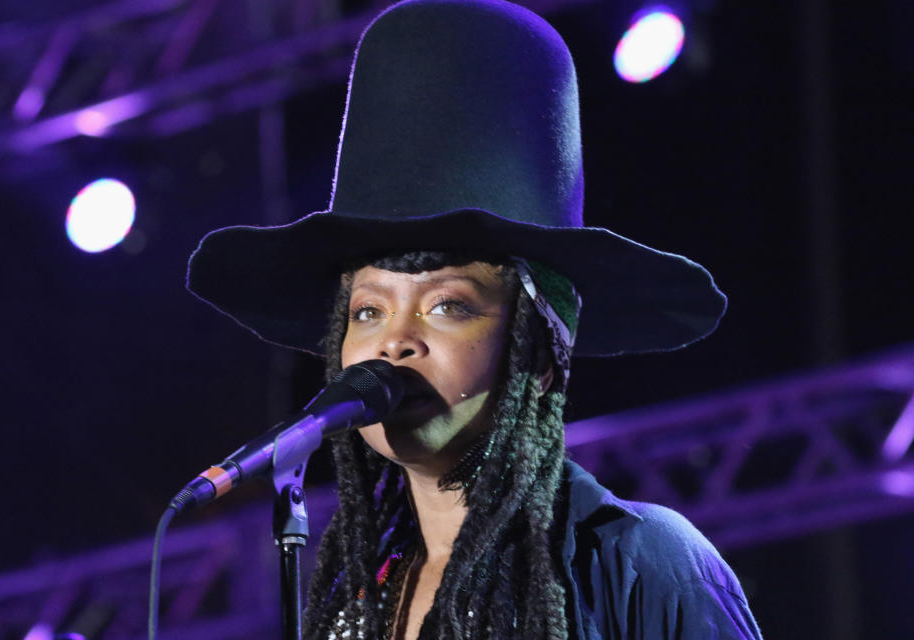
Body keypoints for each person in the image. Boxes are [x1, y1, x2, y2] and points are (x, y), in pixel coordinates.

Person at [186, 1, 763, 638]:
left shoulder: (638, 560)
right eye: (369, 311)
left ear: (539, 356)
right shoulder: (355, 609)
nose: (396, 342)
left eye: (448, 306)